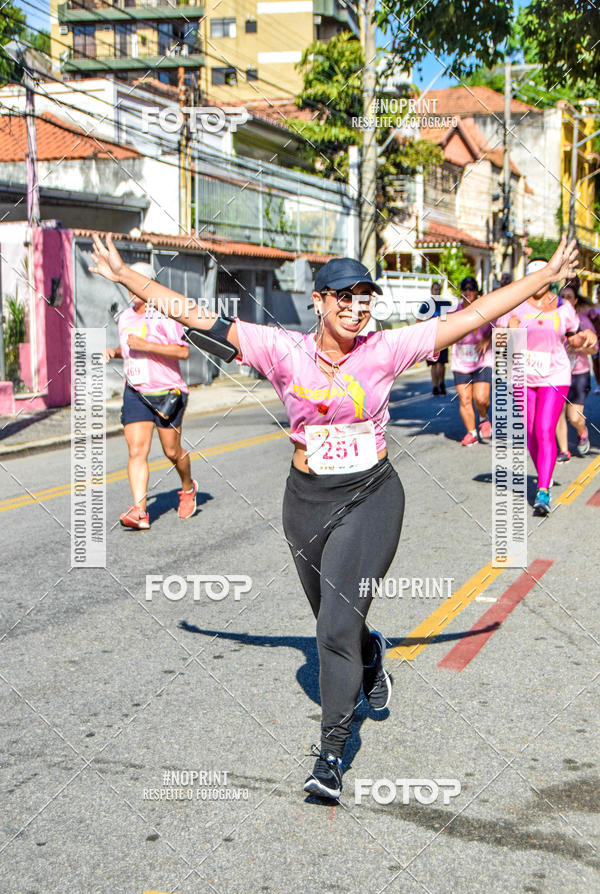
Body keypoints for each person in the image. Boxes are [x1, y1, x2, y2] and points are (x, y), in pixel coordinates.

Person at [90, 232, 579, 800]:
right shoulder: (281, 350)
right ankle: (370, 651)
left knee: (331, 627)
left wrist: (542, 280)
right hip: (305, 499)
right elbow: (199, 316)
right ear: (318, 301)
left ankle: (330, 752)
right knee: (336, 620)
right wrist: (127, 276)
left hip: (372, 493)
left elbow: (473, 315)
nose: (355, 306)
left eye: (364, 296)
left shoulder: (387, 349)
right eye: (342, 296)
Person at [497, 259, 597, 516]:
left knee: (544, 428)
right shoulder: (514, 306)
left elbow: (574, 336)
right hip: (522, 374)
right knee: (531, 432)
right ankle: (545, 472)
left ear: (549, 279)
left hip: (555, 373)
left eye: (543, 277)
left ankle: (543, 490)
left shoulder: (563, 307)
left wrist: (586, 337)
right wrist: (509, 333)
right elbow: (498, 342)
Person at [104, 261, 198, 529]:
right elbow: (130, 349)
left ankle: (188, 487)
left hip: (167, 392)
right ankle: (140, 512)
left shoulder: (165, 314)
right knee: (137, 450)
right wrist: (115, 352)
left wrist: (146, 345)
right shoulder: (125, 318)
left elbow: (182, 351)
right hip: (135, 391)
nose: (130, 288)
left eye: (136, 282)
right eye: (128, 282)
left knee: (171, 450)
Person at [556, 280, 598, 461]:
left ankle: (582, 432)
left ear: (575, 300)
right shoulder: (553, 318)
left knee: (574, 416)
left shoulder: (583, 320)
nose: (565, 300)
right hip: (557, 372)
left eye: (569, 297)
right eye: (562, 297)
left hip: (579, 372)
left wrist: (579, 347)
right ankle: (564, 451)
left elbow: (594, 349)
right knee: (558, 413)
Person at [450, 276, 493, 445]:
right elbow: (445, 329)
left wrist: (486, 340)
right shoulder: (454, 311)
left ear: (476, 292)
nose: (468, 293)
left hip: (482, 360)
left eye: (471, 289)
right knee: (465, 398)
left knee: (481, 398)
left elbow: (497, 329)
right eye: (465, 289)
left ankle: (483, 417)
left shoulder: (484, 309)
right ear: (461, 292)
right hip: (461, 360)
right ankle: (472, 432)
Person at [421, 281, 450, 395]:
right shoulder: (426, 305)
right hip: (430, 338)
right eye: (434, 289)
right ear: (431, 291)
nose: (436, 291)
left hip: (443, 336)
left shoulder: (446, 304)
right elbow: (420, 320)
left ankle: (441, 383)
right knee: (433, 364)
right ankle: (435, 386)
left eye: (438, 289)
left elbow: (451, 319)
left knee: (441, 363)